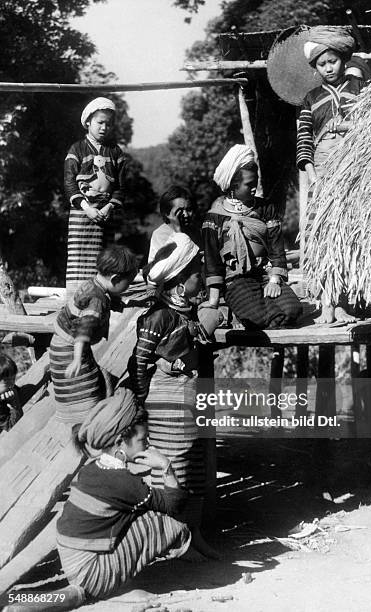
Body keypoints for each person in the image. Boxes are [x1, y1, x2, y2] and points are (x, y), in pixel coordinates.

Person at [128, 232, 219, 559]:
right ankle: (171, 540)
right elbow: (138, 361)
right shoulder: (158, 317)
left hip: (189, 396)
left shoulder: (185, 311)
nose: (201, 275)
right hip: (167, 403)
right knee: (173, 469)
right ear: (180, 284)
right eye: (197, 271)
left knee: (193, 467)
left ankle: (193, 536)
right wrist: (140, 401)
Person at [56, 387, 191, 603]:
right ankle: (108, 591)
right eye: (143, 440)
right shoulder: (124, 482)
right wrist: (166, 466)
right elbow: (175, 505)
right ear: (120, 442)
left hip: (72, 561)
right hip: (90, 572)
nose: (148, 445)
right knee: (163, 524)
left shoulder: (93, 467)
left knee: (141, 514)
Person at [296, 28, 365, 324]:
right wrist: (312, 175)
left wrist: (346, 130)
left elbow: (368, 124)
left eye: (333, 61)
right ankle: (326, 303)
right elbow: (304, 141)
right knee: (322, 234)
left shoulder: (359, 88)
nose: (328, 68)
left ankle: (342, 303)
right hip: (322, 169)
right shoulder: (311, 99)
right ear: (315, 68)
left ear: (342, 60)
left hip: (352, 167)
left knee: (346, 233)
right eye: (322, 64)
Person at [202, 144, 302, 330]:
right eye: (249, 184)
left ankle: (254, 312)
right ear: (233, 184)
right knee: (270, 316)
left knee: (292, 310)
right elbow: (212, 261)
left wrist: (274, 280)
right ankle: (250, 313)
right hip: (236, 280)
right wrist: (214, 301)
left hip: (264, 274)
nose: (254, 188)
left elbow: (276, 249)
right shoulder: (214, 217)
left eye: (255, 182)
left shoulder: (266, 209)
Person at [49, 246, 137, 424]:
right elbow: (83, 330)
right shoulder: (97, 301)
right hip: (71, 350)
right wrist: (76, 359)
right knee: (83, 389)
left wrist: (130, 303)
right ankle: (88, 424)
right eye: (128, 283)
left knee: (92, 379)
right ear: (115, 279)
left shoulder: (92, 284)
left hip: (60, 344)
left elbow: (105, 302)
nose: (129, 287)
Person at [64, 97, 127, 298]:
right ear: (88, 122)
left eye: (108, 124)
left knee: (105, 259)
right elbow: (69, 182)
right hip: (82, 214)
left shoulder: (116, 152)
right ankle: (77, 300)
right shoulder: (77, 149)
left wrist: (108, 207)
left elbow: (120, 186)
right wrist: (87, 208)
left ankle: (102, 299)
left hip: (106, 215)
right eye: (100, 122)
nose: (104, 127)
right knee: (79, 258)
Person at [148, 185, 200, 263]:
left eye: (189, 209)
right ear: (167, 213)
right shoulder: (160, 235)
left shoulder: (196, 232)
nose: (185, 214)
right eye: (180, 210)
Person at [0, 354, 22, 432]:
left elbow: (17, 390)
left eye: (13, 379)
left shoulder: (7, 389)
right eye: (6, 381)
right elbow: (11, 427)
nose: (12, 384)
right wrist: (14, 403)